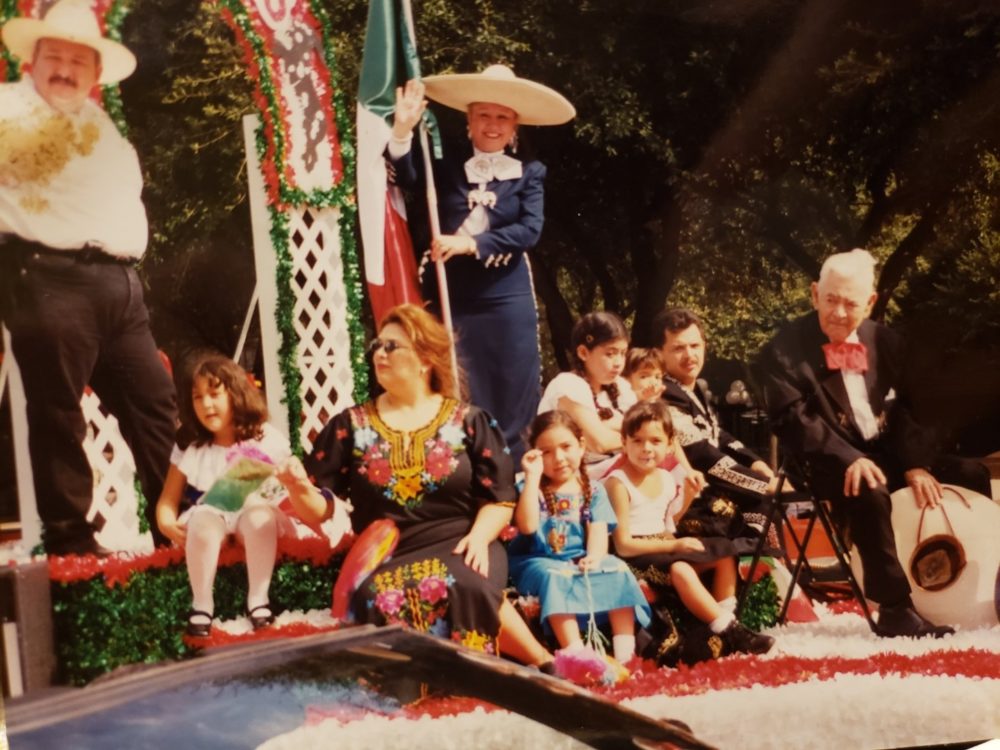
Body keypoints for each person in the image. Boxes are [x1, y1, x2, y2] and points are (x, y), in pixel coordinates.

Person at [0, 0, 176, 554]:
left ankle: (184, 525)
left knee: (156, 405)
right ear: (32, 59)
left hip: (121, 285)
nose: (65, 70)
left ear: (96, 73)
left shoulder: (100, 124)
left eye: (79, 61)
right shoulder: (4, 110)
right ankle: (72, 543)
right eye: (55, 57)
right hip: (47, 277)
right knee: (58, 412)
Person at [301, 304, 554, 667]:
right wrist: (296, 486)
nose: (380, 354)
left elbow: (499, 497)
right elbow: (320, 504)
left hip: (462, 538)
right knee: (379, 594)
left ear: (424, 360)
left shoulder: (470, 420)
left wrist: (480, 538)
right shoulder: (349, 425)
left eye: (392, 346)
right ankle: (420, 686)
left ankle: (536, 663)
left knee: (467, 580)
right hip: (390, 550)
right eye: (378, 345)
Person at [758, 248, 992, 638]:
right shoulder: (781, 349)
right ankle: (895, 608)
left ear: (869, 303)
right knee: (869, 485)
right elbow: (792, 419)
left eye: (849, 303)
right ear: (815, 293)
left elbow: (911, 409)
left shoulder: (887, 342)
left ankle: (981, 587)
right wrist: (848, 457)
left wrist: (914, 462)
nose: (837, 312)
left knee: (971, 473)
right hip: (825, 459)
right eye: (829, 300)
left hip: (889, 452)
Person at [389, 66, 575, 462]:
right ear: (470, 121)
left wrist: (471, 243)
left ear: (515, 126)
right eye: (484, 115)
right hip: (453, 294)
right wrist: (403, 130)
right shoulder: (444, 164)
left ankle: (513, 477)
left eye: (502, 117)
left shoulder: (530, 173)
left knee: (512, 383)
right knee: (457, 383)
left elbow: (529, 230)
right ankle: (462, 470)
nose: (493, 125)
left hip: (506, 295)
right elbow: (406, 175)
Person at [155, 354, 326, 637]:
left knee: (259, 517)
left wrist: (290, 475)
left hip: (255, 512)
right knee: (203, 522)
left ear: (235, 393)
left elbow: (294, 477)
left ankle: (258, 600)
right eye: (197, 397)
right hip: (213, 513)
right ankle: (202, 605)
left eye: (214, 394)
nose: (206, 404)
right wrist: (166, 522)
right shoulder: (191, 445)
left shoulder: (264, 437)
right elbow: (167, 500)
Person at [606, 401, 774, 661]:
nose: (646, 448)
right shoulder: (618, 482)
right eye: (637, 441)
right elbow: (624, 544)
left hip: (662, 545)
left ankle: (726, 619)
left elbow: (668, 524)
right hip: (634, 557)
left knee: (723, 551)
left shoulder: (663, 477)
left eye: (655, 441)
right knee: (681, 568)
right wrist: (674, 546)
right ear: (624, 442)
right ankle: (731, 631)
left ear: (670, 443)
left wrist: (686, 501)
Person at [509, 410, 650, 666]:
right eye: (547, 452)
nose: (558, 458)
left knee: (616, 569)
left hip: (578, 558)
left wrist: (594, 558)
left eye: (566, 447)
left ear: (581, 445)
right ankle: (576, 656)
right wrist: (531, 478)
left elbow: (598, 533)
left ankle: (626, 656)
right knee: (556, 577)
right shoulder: (531, 488)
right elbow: (528, 526)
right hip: (538, 562)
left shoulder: (592, 489)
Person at [654, 307, 779, 551]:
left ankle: (765, 578)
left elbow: (718, 435)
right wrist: (762, 483)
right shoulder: (662, 395)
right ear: (659, 354)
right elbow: (701, 454)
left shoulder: (693, 389)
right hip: (686, 500)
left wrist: (755, 463)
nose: (689, 355)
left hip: (709, 491)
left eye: (695, 346)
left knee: (763, 509)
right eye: (678, 348)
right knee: (752, 510)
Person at [538, 312, 637, 478]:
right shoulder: (567, 385)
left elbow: (653, 432)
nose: (619, 362)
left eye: (623, 353)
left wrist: (611, 426)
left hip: (618, 471)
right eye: (610, 354)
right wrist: (631, 432)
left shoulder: (621, 386)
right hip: (575, 478)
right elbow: (599, 443)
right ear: (583, 353)